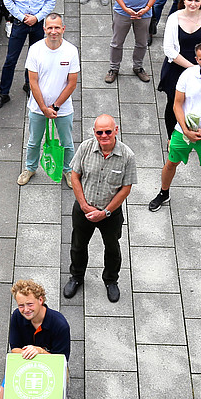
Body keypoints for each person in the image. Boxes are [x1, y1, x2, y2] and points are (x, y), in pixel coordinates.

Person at [148, 42, 201, 226]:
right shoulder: (188, 75)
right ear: (196, 60)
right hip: (183, 132)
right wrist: (185, 129)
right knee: (171, 163)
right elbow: (177, 104)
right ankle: (164, 193)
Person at [64, 114, 137, 303]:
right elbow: (75, 176)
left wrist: (105, 212)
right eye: (99, 132)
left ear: (116, 130)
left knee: (112, 248)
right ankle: (76, 277)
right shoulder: (85, 148)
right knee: (78, 245)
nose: (104, 135)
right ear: (94, 132)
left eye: (107, 131)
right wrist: (83, 205)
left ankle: (111, 281)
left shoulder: (127, 156)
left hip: (110, 213)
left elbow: (125, 188)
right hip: (84, 209)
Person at [17, 13, 79, 189]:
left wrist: (55, 106)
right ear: (44, 29)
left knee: (67, 142)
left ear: (63, 29)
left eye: (57, 27)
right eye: (50, 28)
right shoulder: (35, 50)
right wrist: (44, 107)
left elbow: (72, 83)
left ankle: (68, 170)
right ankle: (30, 168)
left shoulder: (71, 51)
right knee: (34, 141)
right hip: (38, 108)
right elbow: (33, 82)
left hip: (63, 108)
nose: (53, 31)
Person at [0, 279, 71, 399]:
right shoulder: (16, 316)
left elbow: (61, 362)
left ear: (40, 300)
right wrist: (31, 353)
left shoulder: (60, 325)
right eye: (21, 306)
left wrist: (40, 351)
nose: (25, 310)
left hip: (51, 363)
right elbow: (14, 349)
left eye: (30, 304)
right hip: (25, 359)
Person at [158, 0, 201, 137]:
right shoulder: (174, 18)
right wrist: (193, 68)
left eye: (197, 0)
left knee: (196, 103)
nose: (193, 3)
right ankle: (171, 137)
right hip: (177, 67)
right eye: (190, 0)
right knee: (173, 103)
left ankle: (192, 132)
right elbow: (169, 49)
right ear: (183, 0)